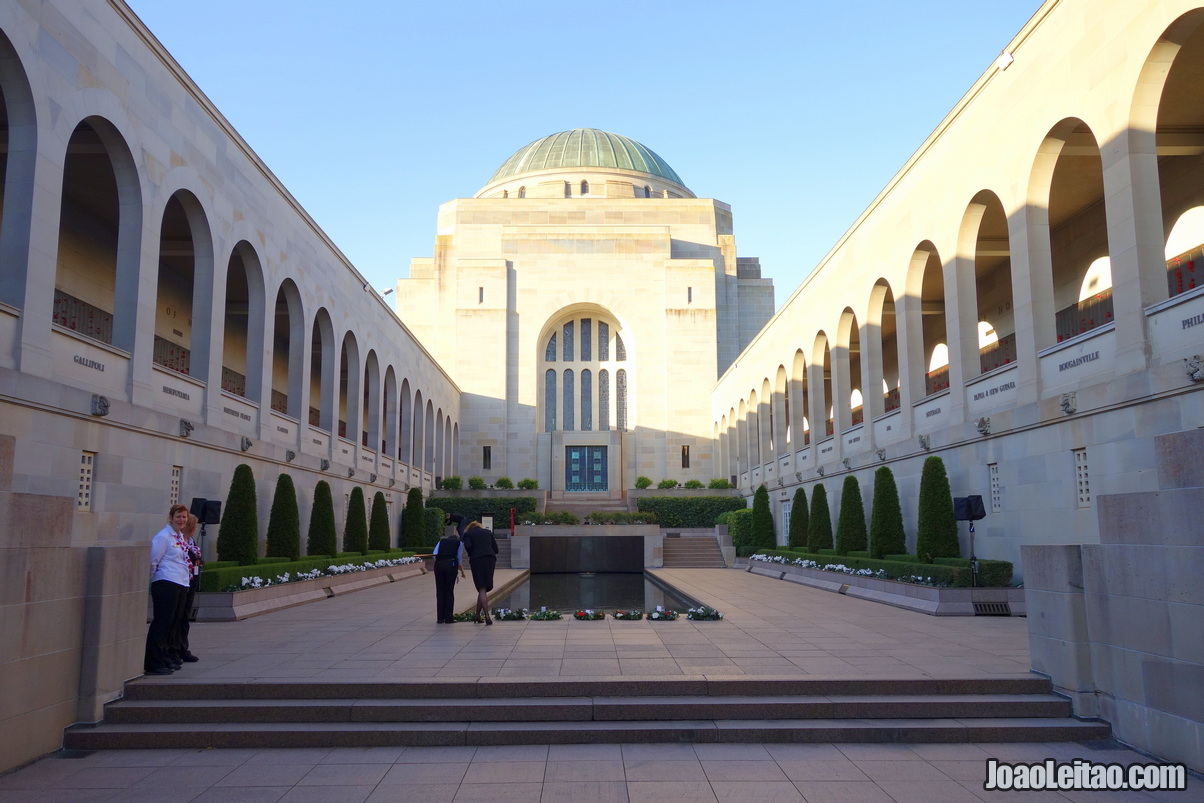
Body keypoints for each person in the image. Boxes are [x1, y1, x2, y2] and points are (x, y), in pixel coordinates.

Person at [145, 504, 192, 675]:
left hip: (180, 583)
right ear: (171, 518)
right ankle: (153, 662)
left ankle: (164, 656)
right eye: (178, 516)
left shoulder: (178, 537)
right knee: (162, 623)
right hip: (166, 582)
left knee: (172, 624)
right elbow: (153, 560)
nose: (181, 520)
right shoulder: (163, 537)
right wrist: (155, 578)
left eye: (184, 517)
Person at [167, 513, 203, 663]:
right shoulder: (178, 542)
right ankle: (172, 649)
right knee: (177, 618)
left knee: (184, 618)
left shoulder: (191, 542)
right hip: (179, 582)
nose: (195, 530)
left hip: (190, 584)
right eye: (194, 527)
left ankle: (182, 648)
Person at [461, 519, 499, 625]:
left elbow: (468, 546)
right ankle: (477, 615)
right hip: (490, 559)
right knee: (484, 588)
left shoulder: (468, 534)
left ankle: (487, 616)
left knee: (481, 588)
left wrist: (473, 552)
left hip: (477, 560)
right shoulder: (488, 533)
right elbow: (496, 549)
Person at [432, 513, 467, 623]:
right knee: (449, 591)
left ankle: (440, 618)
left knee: (440, 591)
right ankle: (449, 617)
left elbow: (434, 554)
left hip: (438, 565)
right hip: (450, 565)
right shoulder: (458, 543)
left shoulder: (441, 541)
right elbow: (459, 559)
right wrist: (461, 571)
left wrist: (440, 562)